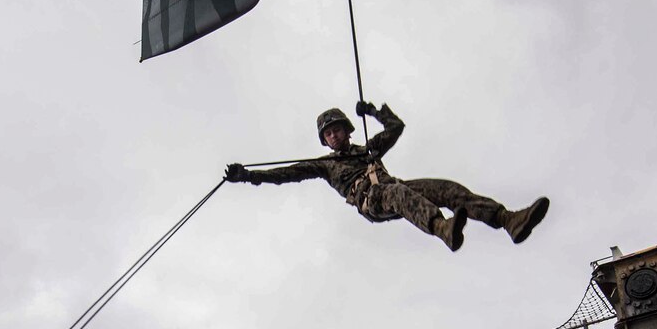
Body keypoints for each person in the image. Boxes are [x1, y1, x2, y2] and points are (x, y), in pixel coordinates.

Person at [224, 101, 549, 251]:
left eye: (337, 129)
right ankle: (442, 229)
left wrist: (376, 113)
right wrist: (249, 176)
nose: (334, 136)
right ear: (324, 141)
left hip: (395, 186)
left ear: (347, 131)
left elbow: (396, 128)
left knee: (449, 189)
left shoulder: (368, 151)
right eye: (329, 134)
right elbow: (287, 174)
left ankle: (509, 220)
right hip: (372, 200)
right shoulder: (323, 165)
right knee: (399, 195)